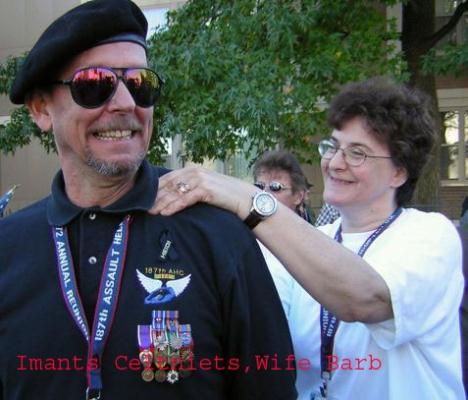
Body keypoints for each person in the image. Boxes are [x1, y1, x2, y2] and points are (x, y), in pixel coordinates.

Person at [0, 1, 297, 399]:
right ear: (41, 109)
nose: (126, 103)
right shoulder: (8, 248)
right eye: (95, 84)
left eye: (140, 84)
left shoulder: (218, 234)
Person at [151, 78, 465, 399]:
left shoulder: (430, 234)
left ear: (399, 172)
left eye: (357, 153)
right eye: (333, 146)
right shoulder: (307, 243)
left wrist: (248, 199)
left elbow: (366, 300)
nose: (335, 163)